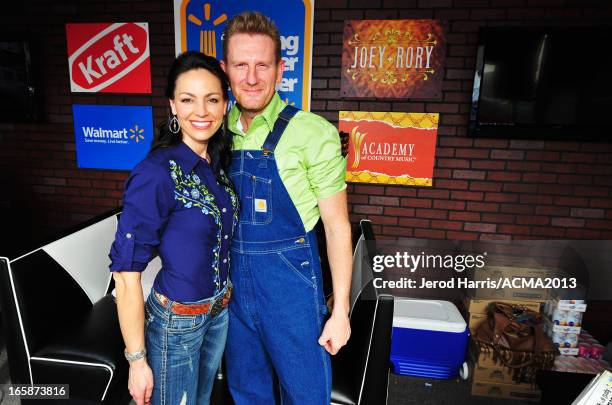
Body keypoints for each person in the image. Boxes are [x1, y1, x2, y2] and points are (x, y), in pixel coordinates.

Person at [220, 11, 352, 405]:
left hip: (291, 288)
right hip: (232, 293)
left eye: (263, 65)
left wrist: (340, 309)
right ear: (225, 70)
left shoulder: (314, 133)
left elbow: (337, 227)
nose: (251, 77)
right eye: (241, 65)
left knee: (306, 396)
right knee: (246, 393)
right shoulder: (213, 133)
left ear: (280, 70)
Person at [109, 51, 238, 405]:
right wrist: (136, 360)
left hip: (218, 313)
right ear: (173, 107)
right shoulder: (156, 173)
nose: (201, 111)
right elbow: (125, 274)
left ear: (225, 105)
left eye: (212, 99)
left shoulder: (216, 161)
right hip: (175, 325)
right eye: (188, 99)